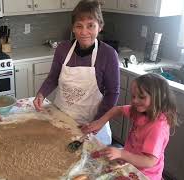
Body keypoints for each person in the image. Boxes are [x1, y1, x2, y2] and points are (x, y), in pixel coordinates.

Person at [33, 0, 120, 145]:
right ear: (73, 28)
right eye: (79, 26)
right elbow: (53, 77)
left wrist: (97, 122)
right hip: (61, 121)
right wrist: (41, 94)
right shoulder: (63, 48)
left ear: (100, 27)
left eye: (90, 26)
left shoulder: (108, 54)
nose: (84, 32)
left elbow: (113, 93)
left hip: (90, 127)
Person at [83, 73, 177, 180]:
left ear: (158, 98)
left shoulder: (157, 128)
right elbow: (117, 109)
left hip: (146, 174)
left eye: (141, 97)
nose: (135, 100)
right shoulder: (140, 111)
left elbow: (150, 161)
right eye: (133, 96)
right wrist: (100, 123)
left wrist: (122, 154)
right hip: (131, 163)